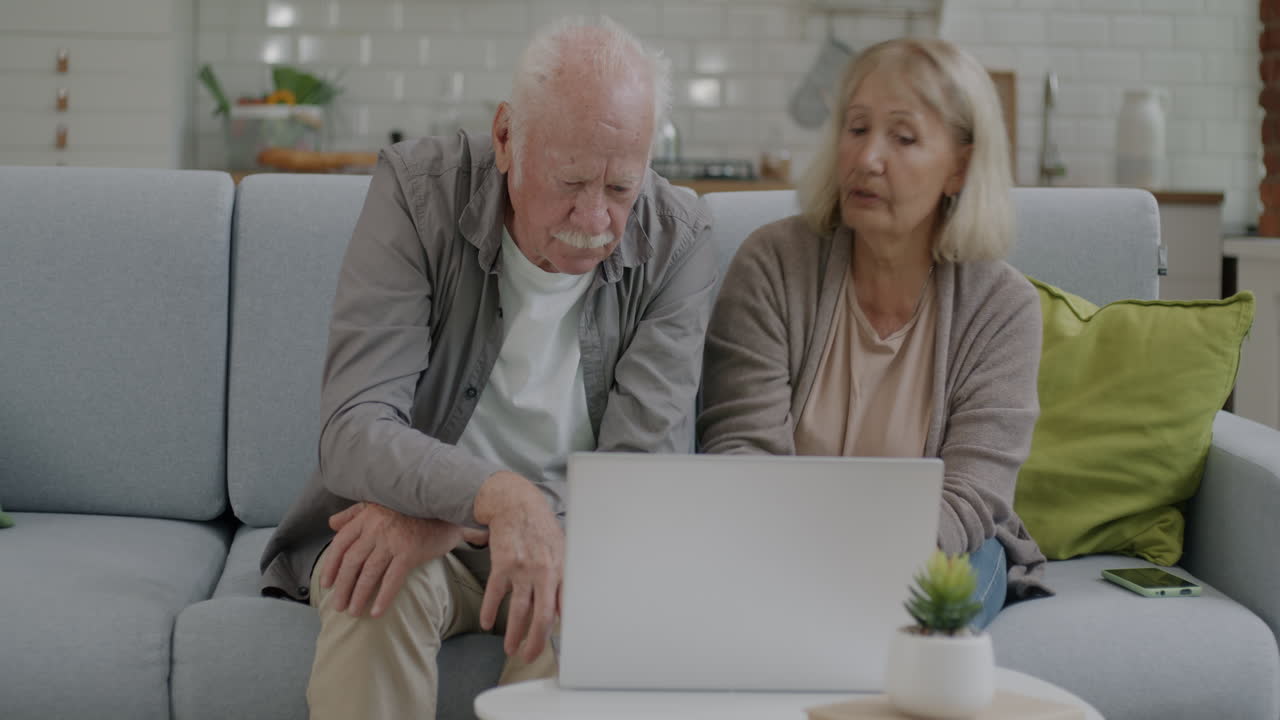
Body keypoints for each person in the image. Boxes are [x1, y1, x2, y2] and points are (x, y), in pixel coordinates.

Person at [259, 18, 718, 719]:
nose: (595, 219)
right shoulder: (419, 194)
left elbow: (639, 482)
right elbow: (355, 428)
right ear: (506, 137)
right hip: (416, 528)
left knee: (593, 616)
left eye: (621, 188)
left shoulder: (677, 241)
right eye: (570, 181)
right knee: (371, 588)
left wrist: (469, 518)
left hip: (571, 539)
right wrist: (499, 500)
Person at [698, 37, 1050, 629]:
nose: (867, 158)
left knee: (931, 610)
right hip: (777, 541)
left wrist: (858, 568)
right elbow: (742, 455)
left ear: (960, 166)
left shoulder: (1003, 306)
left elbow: (971, 498)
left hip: (940, 548)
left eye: (903, 137)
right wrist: (801, 564)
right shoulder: (772, 264)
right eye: (856, 128)